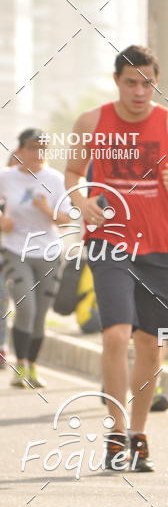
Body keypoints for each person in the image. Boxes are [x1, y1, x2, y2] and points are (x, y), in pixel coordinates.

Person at [65, 45, 168, 471]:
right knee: (116, 335)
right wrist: (81, 201)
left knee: (150, 344)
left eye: (148, 83)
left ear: (157, 83)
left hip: (158, 246)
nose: (140, 91)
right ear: (117, 81)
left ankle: (139, 434)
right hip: (109, 240)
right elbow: (72, 175)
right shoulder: (91, 122)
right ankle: (116, 434)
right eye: (131, 82)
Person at [0, 128, 71, 387]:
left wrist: (46, 209)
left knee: (40, 313)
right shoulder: (6, 177)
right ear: (19, 151)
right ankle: (20, 367)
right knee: (25, 308)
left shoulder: (55, 178)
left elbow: (66, 220)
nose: (38, 153)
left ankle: (32, 366)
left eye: (42, 148)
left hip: (49, 252)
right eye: (32, 148)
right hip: (16, 250)